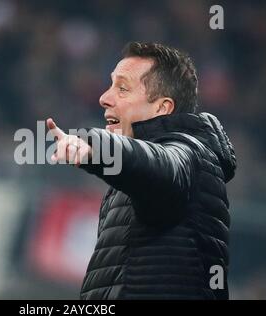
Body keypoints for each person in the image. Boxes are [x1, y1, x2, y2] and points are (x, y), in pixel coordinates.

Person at [47, 42, 237, 300]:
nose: (104, 98)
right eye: (111, 84)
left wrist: (96, 149)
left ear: (162, 108)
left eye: (122, 88)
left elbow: (163, 168)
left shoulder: (192, 154)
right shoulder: (128, 181)